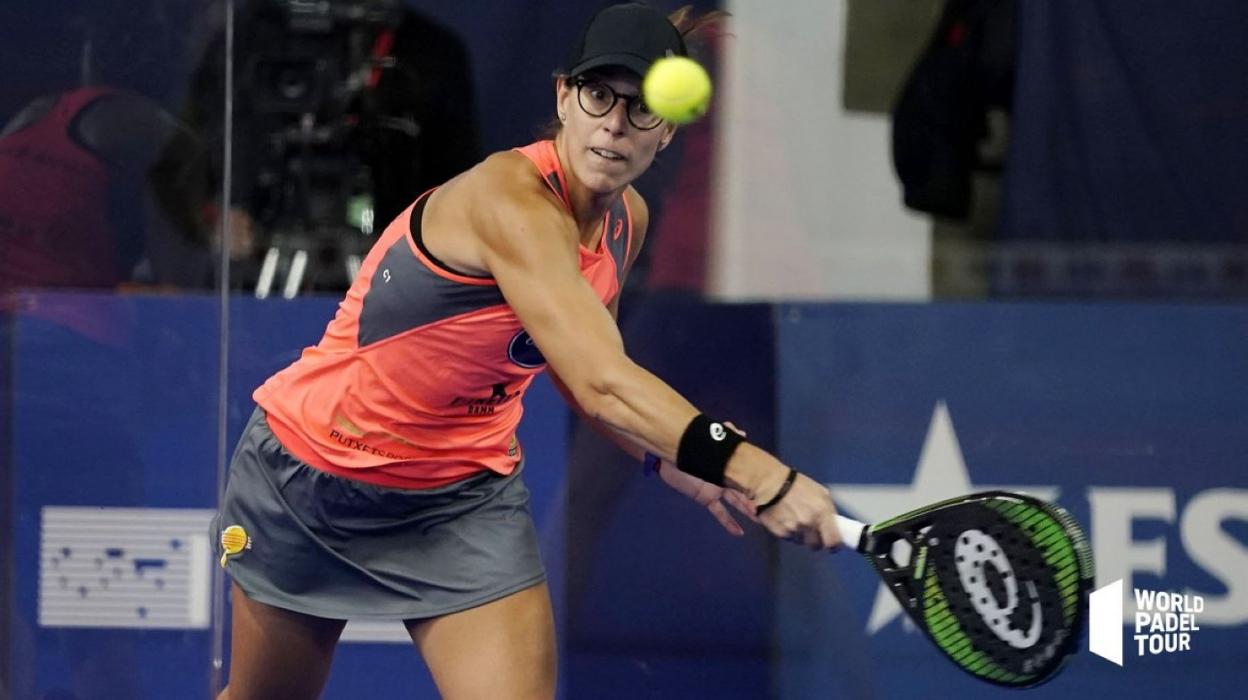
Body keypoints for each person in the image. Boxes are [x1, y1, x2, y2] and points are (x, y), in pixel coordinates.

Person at [212, 4, 844, 698]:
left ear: (665, 132)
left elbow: (581, 376)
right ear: (562, 97)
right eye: (598, 95)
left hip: (460, 500)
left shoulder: (625, 222)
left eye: (639, 109)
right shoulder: (508, 199)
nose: (613, 124)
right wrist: (762, 476)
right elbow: (603, 382)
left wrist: (682, 465)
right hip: (313, 478)